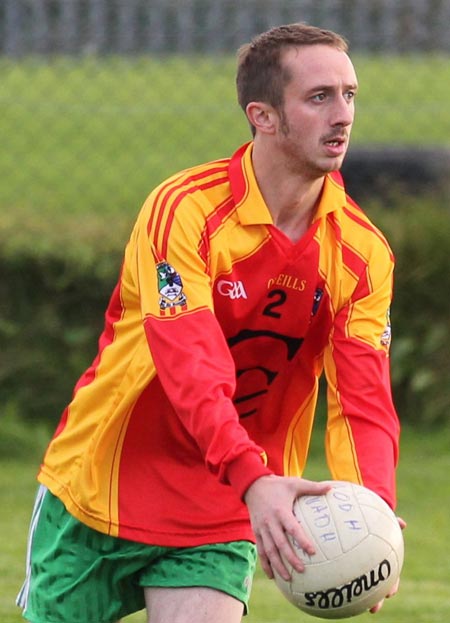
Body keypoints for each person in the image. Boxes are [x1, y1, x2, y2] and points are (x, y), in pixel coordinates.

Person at [17, 22, 404, 623]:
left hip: (225, 505)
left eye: (349, 94)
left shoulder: (361, 251)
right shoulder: (187, 211)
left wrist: (374, 518)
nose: (343, 115)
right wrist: (253, 477)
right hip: (102, 484)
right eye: (319, 96)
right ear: (264, 115)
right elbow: (190, 364)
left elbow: (362, 401)